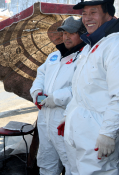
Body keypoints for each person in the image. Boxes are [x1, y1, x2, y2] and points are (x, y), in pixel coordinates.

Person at [61, 0, 119, 175]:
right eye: (84, 13)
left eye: (94, 12)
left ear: (109, 14)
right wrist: (70, 117)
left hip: (99, 136)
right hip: (80, 134)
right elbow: (83, 91)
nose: (87, 18)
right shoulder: (93, 45)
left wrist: (109, 133)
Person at [30, 16, 86, 175]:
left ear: (81, 34)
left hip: (65, 121)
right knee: (46, 162)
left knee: (71, 165)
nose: (66, 37)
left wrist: (55, 98)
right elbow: (40, 75)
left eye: (72, 33)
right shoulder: (53, 56)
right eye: (64, 33)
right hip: (44, 119)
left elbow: (81, 88)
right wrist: (37, 92)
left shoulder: (84, 57)